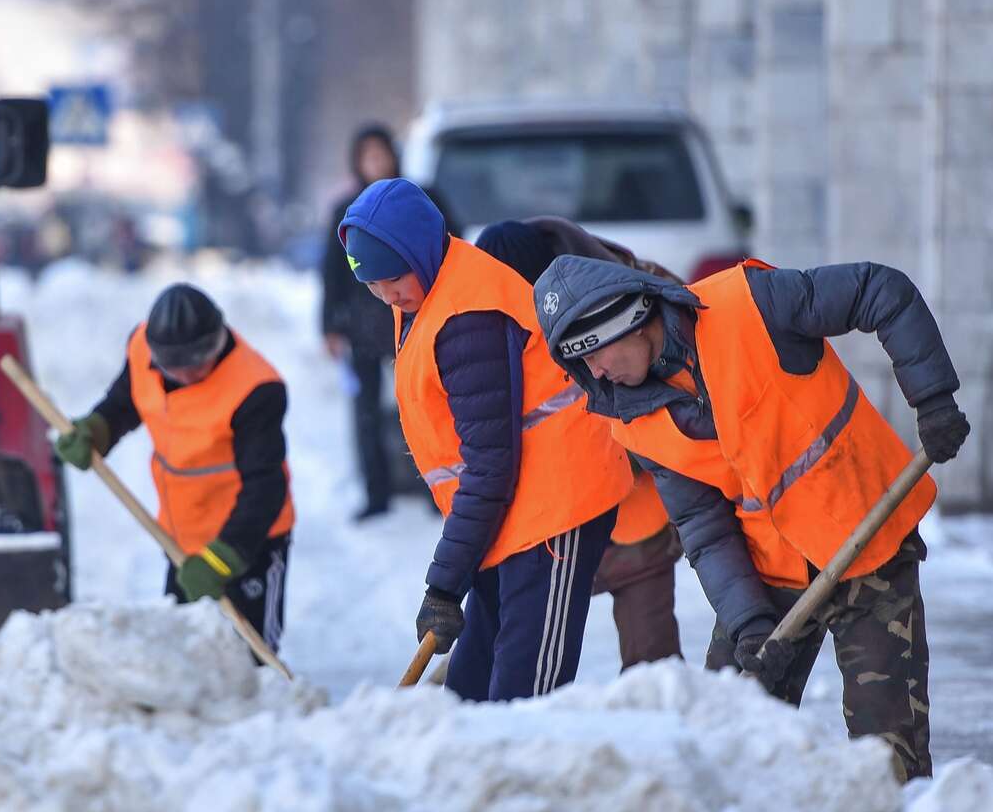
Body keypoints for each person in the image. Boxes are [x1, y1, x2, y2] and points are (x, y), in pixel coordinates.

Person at [531, 254, 971, 782]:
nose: (595, 374)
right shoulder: (635, 421)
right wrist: (747, 622)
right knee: (722, 748)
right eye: (581, 366)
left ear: (626, 317)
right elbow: (703, 528)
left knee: (888, 762)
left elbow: (881, 289)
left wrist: (932, 397)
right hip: (771, 576)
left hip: (869, 540)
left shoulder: (750, 306)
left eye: (594, 355)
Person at [341, 179, 632, 700]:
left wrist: (445, 583)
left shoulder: (466, 317)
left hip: (555, 509)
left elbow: (489, 463)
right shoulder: (430, 291)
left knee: (525, 696)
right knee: (473, 682)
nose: (388, 295)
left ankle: (525, 777)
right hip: (509, 511)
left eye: (392, 277)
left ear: (418, 249)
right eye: (373, 284)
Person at [474, 219, 684, 669]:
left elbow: (684, 385)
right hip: (548, 526)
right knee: (516, 652)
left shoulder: (624, 294)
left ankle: (658, 734)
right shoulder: (487, 322)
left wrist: (629, 451)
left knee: (653, 666)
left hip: (633, 512)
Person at [55, 284, 294, 650]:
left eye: (200, 363)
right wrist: (96, 431)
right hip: (180, 540)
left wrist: (224, 558)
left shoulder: (256, 389)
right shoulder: (141, 348)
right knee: (182, 654)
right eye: (176, 367)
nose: (188, 376)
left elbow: (265, 488)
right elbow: (124, 402)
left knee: (251, 658)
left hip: (249, 544)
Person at [320, 124, 404, 520]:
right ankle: (377, 493)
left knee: (428, 403)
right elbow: (331, 273)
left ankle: (438, 484)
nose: (376, 162)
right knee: (366, 412)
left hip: (414, 320)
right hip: (364, 324)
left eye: (381, 153)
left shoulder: (418, 199)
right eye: (367, 155)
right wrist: (330, 326)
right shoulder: (345, 211)